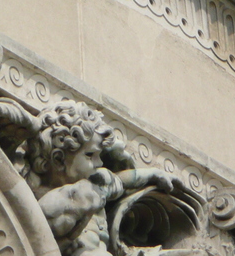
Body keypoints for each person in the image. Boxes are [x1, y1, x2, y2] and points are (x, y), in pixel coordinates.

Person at [26, 101, 192, 256]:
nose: (99, 163)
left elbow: (120, 181)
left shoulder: (97, 182)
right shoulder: (48, 201)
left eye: (99, 155)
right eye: (90, 155)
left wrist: (154, 174)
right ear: (58, 159)